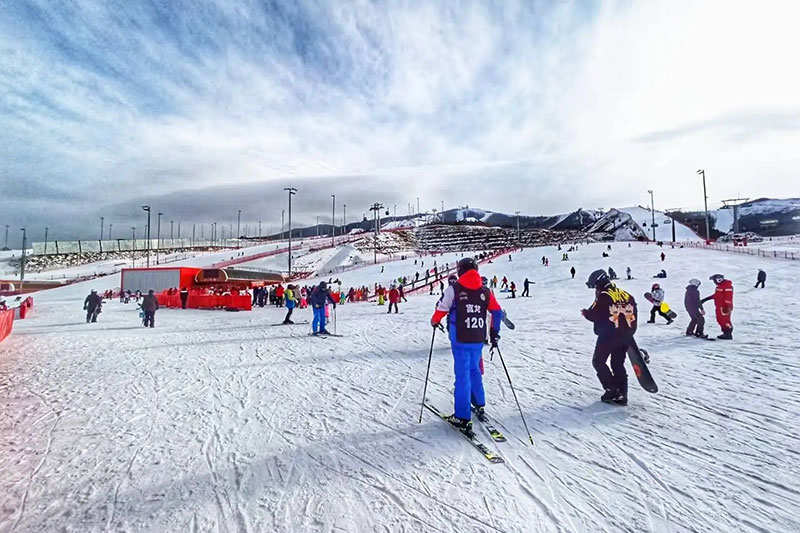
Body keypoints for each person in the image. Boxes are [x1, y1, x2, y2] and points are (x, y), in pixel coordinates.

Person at [430, 257, 503, 433]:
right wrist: (494, 333)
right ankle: (479, 404)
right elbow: (497, 312)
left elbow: (442, 309)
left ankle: (462, 417)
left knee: (462, 375)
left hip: (460, 338)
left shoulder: (454, 289)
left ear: (460, 270)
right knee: (475, 370)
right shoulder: (485, 290)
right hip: (478, 338)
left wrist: (434, 321)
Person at [581, 270, 637, 405]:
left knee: (598, 361)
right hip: (625, 335)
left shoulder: (604, 295)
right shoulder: (626, 294)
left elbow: (595, 315)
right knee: (618, 364)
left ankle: (612, 390)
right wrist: (629, 333)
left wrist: (586, 313)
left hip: (609, 335)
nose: (595, 288)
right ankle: (623, 394)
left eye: (595, 286)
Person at [702, 274, 734, 339]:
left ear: (719, 280)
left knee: (725, 320)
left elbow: (729, 297)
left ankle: (728, 333)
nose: (714, 282)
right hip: (719, 306)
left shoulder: (727, 286)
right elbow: (716, 295)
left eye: (714, 280)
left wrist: (727, 306)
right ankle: (725, 333)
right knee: (720, 320)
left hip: (724, 307)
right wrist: (706, 299)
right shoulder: (720, 286)